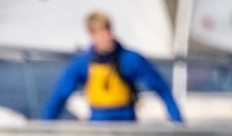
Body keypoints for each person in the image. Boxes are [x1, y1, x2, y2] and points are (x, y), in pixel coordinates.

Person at [40, 11, 183, 123]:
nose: (107, 36)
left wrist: (177, 121)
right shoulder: (82, 63)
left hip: (126, 123)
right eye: (101, 32)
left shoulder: (130, 59)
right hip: (97, 123)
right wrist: (45, 126)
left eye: (108, 30)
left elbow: (161, 88)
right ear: (92, 36)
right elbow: (60, 95)